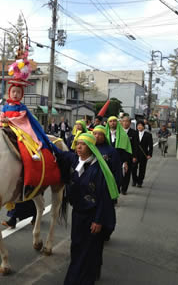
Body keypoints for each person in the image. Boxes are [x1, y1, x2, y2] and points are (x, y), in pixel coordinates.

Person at [56, 133, 118, 284]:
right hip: (78, 214)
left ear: (90, 147)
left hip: (92, 217)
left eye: (82, 144)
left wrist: (98, 220)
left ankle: (77, 280)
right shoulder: (75, 160)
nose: (78, 147)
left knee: (87, 250)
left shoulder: (98, 169)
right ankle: (84, 275)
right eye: (77, 143)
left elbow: (104, 198)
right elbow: (60, 153)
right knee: (76, 246)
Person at [106, 116, 132, 194]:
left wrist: (125, 162)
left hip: (119, 161)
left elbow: (126, 150)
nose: (112, 123)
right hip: (106, 161)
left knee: (117, 180)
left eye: (114, 121)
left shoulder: (123, 135)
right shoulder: (104, 134)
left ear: (117, 123)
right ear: (108, 123)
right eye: (110, 121)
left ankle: (115, 196)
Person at [120, 115, 138, 195]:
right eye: (123, 121)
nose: (125, 123)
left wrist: (134, 156)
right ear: (121, 122)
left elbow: (135, 146)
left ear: (130, 123)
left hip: (129, 156)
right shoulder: (118, 132)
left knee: (127, 173)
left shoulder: (134, 133)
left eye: (127, 121)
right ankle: (118, 187)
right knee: (119, 173)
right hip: (119, 156)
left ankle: (124, 189)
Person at [132, 121, 153, 187]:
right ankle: (134, 180)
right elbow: (132, 145)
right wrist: (133, 155)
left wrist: (149, 154)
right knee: (134, 168)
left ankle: (140, 182)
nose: (139, 126)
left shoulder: (148, 135)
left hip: (144, 154)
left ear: (144, 126)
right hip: (135, 154)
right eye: (138, 125)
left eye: (141, 125)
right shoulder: (134, 134)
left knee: (142, 169)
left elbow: (151, 146)